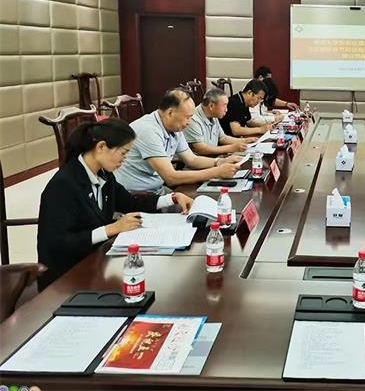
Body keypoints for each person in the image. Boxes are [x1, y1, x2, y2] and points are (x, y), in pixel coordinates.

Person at [37, 119, 194, 289]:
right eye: (123, 153)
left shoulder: (103, 174)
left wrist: (171, 198)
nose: (124, 160)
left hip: (97, 263)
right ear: (101, 147)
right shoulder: (63, 185)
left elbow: (130, 202)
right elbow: (58, 243)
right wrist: (111, 229)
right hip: (66, 279)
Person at [115, 89, 242, 193]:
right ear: (170, 113)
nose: (189, 122)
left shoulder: (175, 127)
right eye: (187, 117)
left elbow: (192, 160)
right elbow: (171, 178)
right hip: (135, 194)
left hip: (156, 189)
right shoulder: (148, 130)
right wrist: (216, 172)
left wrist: (219, 162)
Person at [184, 87, 256, 156]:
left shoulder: (213, 115)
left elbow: (222, 138)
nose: (226, 110)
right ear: (211, 106)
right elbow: (202, 149)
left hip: (213, 157)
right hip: (202, 161)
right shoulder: (193, 119)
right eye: (224, 105)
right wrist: (231, 148)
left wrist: (245, 141)